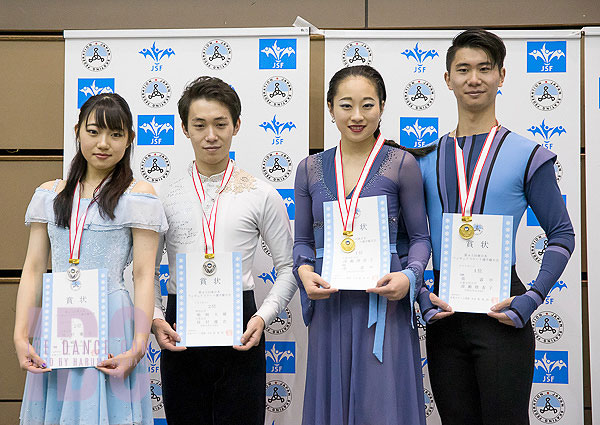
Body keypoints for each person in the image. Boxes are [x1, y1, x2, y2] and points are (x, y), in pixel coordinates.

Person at [416, 29, 575, 425]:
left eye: (485, 68)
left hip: (504, 315)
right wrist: (420, 293)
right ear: (447, 78)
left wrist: (533, 298)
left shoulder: (529, 155)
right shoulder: (423, 159)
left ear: (501, 76)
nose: (474, 78)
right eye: (463, 69)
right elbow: (409, 239)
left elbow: (561, 234)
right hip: (445, 319)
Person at [151, 76, 297, 425]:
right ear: (185, 128)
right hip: (179, 330)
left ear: (237, 125)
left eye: (220, 124)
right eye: (200, 125)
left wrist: (262, 317)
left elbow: (289, 266)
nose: (211, 135)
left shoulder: (261, 193)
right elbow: (139, 271)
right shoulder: (162, 197)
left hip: (242, 331)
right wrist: (156, 317)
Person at [14, 93, 166, 424]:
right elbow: (35, 267)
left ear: (129, 141)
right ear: (77, 131)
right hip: (57, 321)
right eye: (94, 131)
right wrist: (21, 334)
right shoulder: (49, 193)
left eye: (116, 134)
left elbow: (143, 274)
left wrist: (139, 344)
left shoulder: (138, 195)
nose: (103, 143)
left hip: (112, 321)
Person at [293, 65, 431, 425]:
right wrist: (305, 273)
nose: (357, 116)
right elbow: (304, 243)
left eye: (367, 105)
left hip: (384, 304)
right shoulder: (309, 169)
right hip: (330, 303)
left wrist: (410, 277)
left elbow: (420, 239)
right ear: (330, 108)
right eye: (346, 105)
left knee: (382, 406)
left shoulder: (402, 165)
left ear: (382, 106)